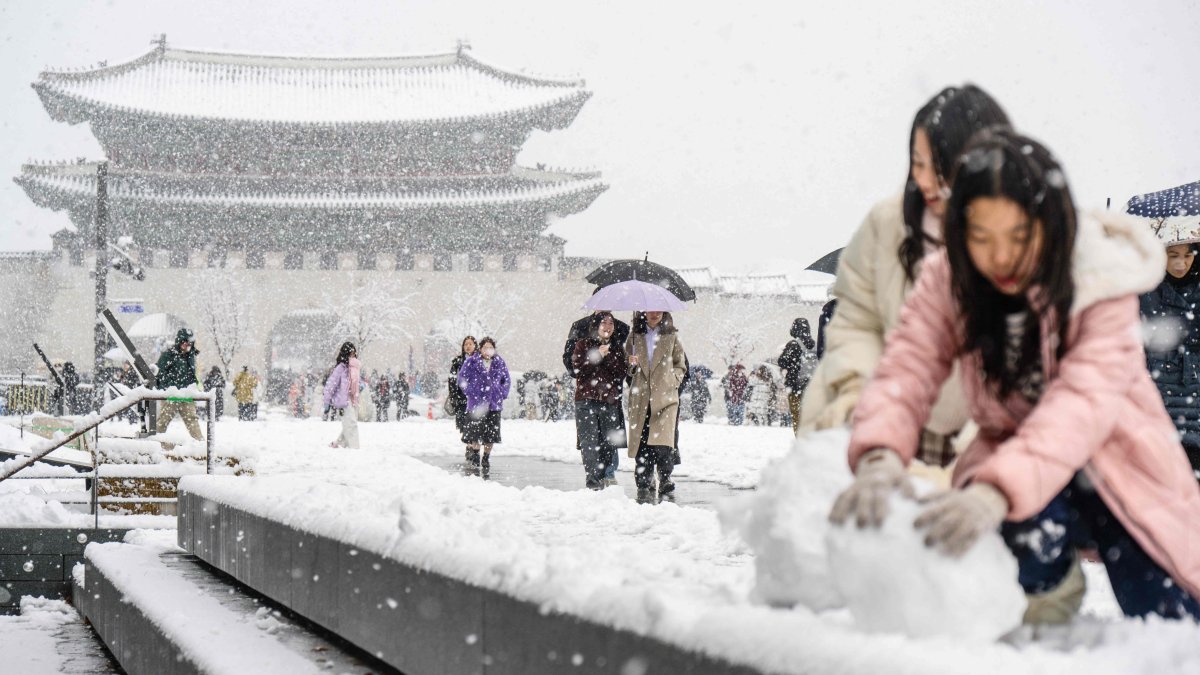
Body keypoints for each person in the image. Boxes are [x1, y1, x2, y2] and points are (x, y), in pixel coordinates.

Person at [830, 129, 1200, 624]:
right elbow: (908, 367)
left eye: (1018, 236)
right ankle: (1048, 594)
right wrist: (878, 453)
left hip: (1122, 460)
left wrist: (995, 491)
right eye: (982, 236)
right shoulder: (951, 276)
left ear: (1050, 225)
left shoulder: (1099, 278)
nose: (999, 257)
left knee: (1169, 617)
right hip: (1019, 466)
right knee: (1020, 555)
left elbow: (1080, 405)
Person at [801, 85, 1011, 471]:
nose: (928, 181)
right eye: (919, 162)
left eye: (944, 164)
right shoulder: (888, 225)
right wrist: (856, 406)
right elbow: (854, 327)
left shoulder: (1025, 236)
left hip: (995, 445)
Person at [1138, 240, 1200, 472]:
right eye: (1172, 254)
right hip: (1158, 400)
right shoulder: (1143, 291)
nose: (1180, 263)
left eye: (1188, 255)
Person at [625, 311, 687, 503]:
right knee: (643, 441)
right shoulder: (634, 337)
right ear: (643, 311)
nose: (655, 314)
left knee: (664, 443)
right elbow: (628, 367)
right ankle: (644, 481)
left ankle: (665, 477)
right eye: (651, 309)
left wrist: (673, 380)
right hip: (642, 396)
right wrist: (632, 364)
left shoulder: (672, 336)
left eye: (659, 309)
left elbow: (680, 364)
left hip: (666, 397)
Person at [572, 312, 628, 489]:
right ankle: (593, 481)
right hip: (586, 401)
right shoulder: (582, 344)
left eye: (611, 323)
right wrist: (596, 356)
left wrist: (610, 356)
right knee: (589, 443)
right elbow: (578, 370)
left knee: (607, 443)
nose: (608, 326)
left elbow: (620, 373)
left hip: (609, 401)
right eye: (603, 323)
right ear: (596, 325)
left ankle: (604, 476)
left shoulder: (617, 348)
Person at [457, 337, 511, 476]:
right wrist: (469, 391)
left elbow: (506, 380)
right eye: (485, 347)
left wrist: (502, 392)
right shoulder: (472, 361)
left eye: (490, 347)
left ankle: (486, 457)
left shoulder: (499, 362)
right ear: (480, 349)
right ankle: (475, 453)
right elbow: (462, 378)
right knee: (475, 433)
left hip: (494, 404)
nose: (488, 350)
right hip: (476, 403)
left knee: (490, 435)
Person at [154, 328, 204, 448]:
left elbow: (192, 374)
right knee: (163, 421)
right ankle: (154, 444)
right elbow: (159, 374)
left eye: (190, 343)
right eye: (185, 342)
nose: (188, 346)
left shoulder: (191, 356)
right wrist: (170, 387)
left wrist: (194, 387)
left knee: (192, 420)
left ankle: (202, 446)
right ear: (179, 341)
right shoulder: (169, 355)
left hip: (186, 395)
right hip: (171, 395)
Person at [778, 318, 817, 435]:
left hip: (797, 388)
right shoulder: (815, 345)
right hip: (813, 388)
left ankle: (802, 443)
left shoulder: (794, 344)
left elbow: (782, 362)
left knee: (797, 418)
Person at [323, 342, 361, 449]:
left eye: (354, 353)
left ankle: (338, 443)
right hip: (343, 401)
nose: (353, 355)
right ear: (346, 353)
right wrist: (327, 402)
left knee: (348, 424)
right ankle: (355, 447)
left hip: (353, 399)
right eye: (350, 353)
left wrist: (361, 386)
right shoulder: (341, 368)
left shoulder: (355, 367)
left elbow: (355, 382)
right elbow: (331, 385)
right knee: (352, 424)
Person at [448, 336, 478, 463]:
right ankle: (469, 443)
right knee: (462, 423)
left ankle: (471, 445)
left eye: (470, 344)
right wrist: (453, 395)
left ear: (475, 346)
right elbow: (452, 379)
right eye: (466, 344)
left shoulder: (479, 360)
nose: (468, 346)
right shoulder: (457, 361)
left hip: (474, 398)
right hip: (461, 398)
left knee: (473, 423)